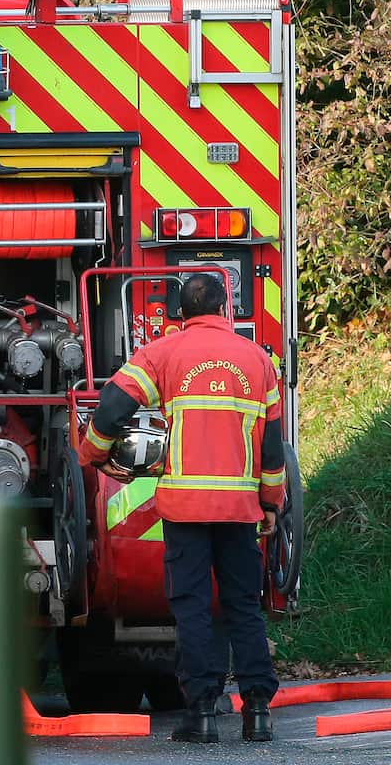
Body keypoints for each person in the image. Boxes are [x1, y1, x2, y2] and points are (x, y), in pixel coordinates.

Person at [78, 274, 285, 744]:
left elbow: (112, 406)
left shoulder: (163, 353)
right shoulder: (258, 361)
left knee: (191, 608)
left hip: (186, 508)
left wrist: (91, 454)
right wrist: (271, 502)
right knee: (243, 607)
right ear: (227, 307)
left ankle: (203, 713)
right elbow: (272, 449)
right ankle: (257, 713)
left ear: (180, 311)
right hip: (240, 509)